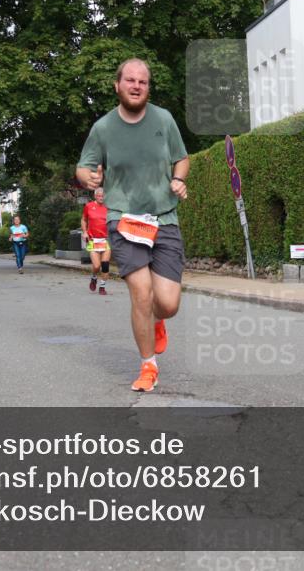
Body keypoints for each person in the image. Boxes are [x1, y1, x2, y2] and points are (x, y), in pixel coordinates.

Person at [76, 58, 189, 393]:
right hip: (124, 220)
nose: (136, 86)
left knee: (167, 304)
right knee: (141, 292)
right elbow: (83, 166)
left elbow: (181, 158)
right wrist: (88, 178)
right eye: (130, 80)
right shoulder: (103, 128)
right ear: (117, 85)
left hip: (164, 218)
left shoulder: (163, 119)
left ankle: (157, 321)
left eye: (143, 81)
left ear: (148, 87)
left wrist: (179, 179)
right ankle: (148, 366)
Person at [81, 187, 112, 295]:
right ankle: (94, 277)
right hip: (93, 240)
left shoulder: (109, 207)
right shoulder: (89, 206)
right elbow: (84, 219)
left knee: (105, 265)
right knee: (96, 266)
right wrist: (84, 232)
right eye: (99, 196)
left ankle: (102, 287)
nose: (101, 198)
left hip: (106, 240)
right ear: (95, 196)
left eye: (103, 196)